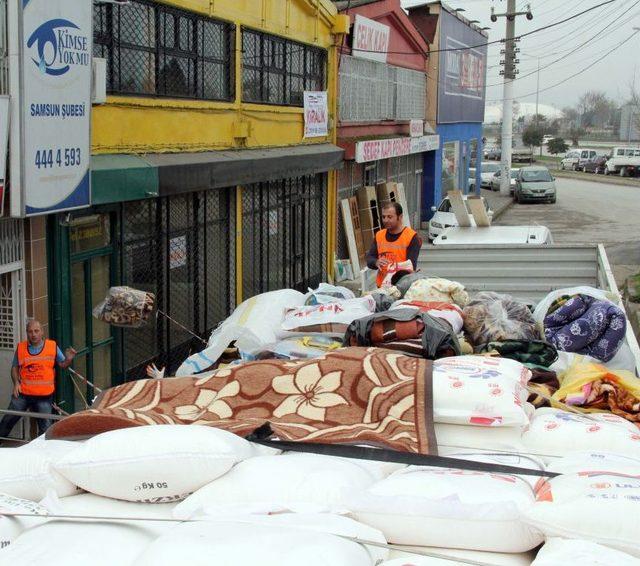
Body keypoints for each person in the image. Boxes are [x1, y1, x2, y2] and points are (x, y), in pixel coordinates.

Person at [0, 320, 76, 441]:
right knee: (8, 420)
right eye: (30, 332)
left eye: (36, 331)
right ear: (27, 333)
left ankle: (44, 453)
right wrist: (16, 383)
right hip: (23, 394)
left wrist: (69, 359)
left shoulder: (52, 346)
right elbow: (14, 368)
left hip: (44, 396)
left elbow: (62, 365)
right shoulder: (21, 347)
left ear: (42, 332)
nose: (33, 334)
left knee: (45, 429)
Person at [365, 202, 421, 287]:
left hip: (402, 287)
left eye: (390, 217)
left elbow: (411, 266)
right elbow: (369, 258)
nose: (385, 220)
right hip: (382, 287)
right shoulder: (379, 235)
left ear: (400, 217)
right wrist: (376, 262)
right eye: (383, 217)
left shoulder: (411, 237)